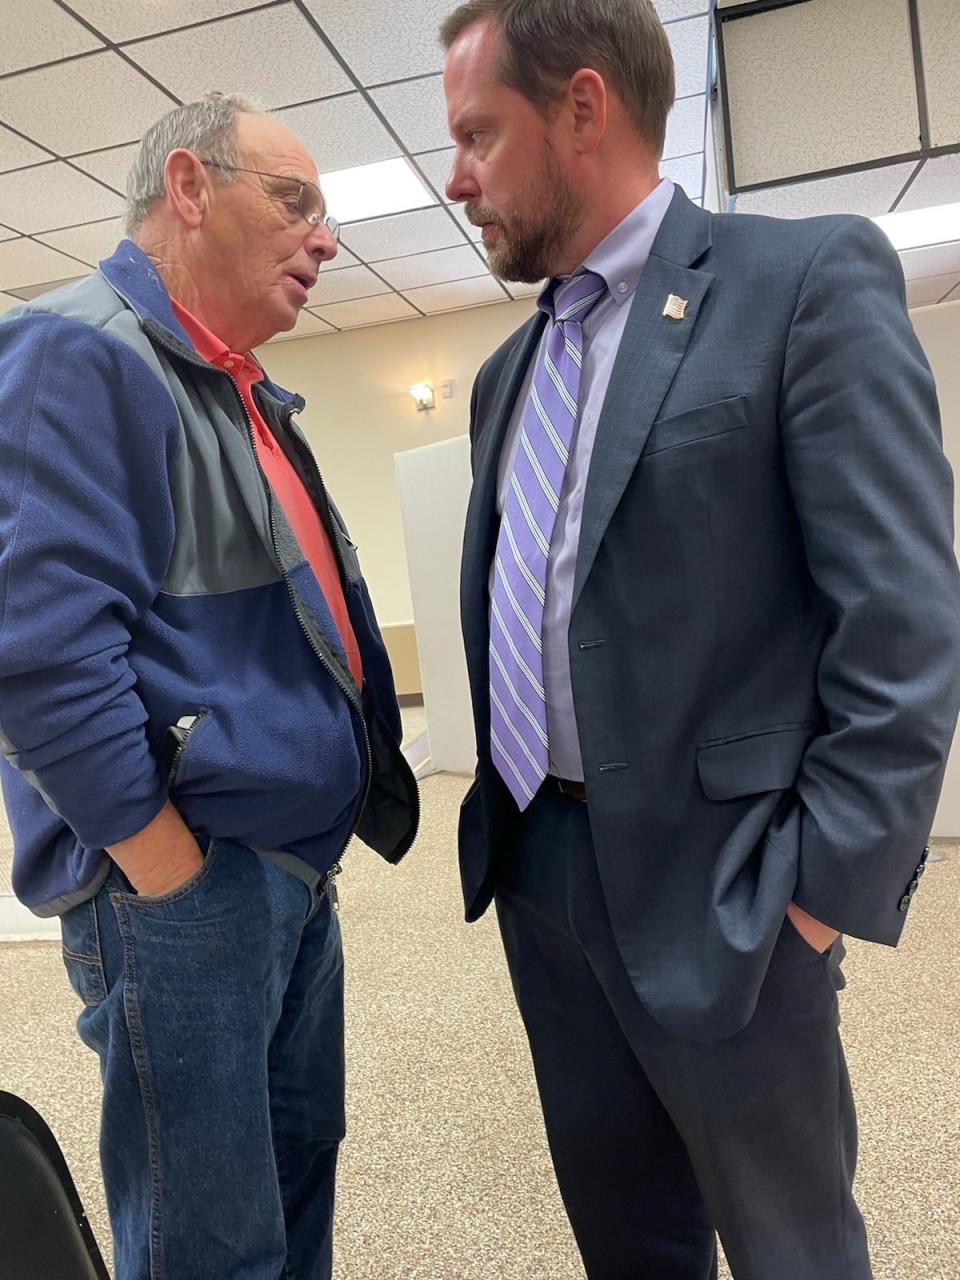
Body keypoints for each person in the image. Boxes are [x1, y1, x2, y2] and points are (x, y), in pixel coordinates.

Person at [441, 2, 960, 1276]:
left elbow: (903, 622)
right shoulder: (509, 373)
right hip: (543, 872)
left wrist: (819, 899)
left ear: (580, 107)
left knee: (793, 1247)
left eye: (476, 136)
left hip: (733, 890)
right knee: (628, 1240)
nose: (457, 180)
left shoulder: (803, 280)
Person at [0, 92, 418, 1280]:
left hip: (280, 877)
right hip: (185, 892)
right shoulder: (78, 350)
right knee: (211, 1242)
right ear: (188, 187)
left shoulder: (232, 389)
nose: (325, 238)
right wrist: (168, 870)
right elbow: (34, 654)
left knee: (287, 1200)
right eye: (295, 202)